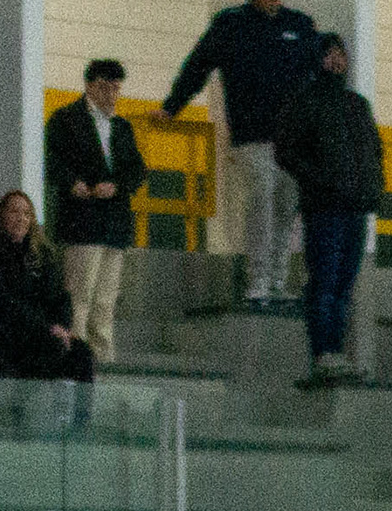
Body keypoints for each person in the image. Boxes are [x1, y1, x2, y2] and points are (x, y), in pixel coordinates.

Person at [163, 0, 326, 310]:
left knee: (286, 206)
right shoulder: (231, 23)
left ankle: (276, 282)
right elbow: (198, 65)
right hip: (251, 135)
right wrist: (172, 106)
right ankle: (258, 282)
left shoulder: (300, 25)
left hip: (293, 140)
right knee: (262, 193)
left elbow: (318, 77)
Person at [275, 36, 380, 389]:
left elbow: (374, 150)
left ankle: (336, 353)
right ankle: (323, 354)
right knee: (324, 282)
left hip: (356, 208)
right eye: (329, 55)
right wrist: (320, 181)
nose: (336, 61)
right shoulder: (304, 102)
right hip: (324, 208)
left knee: (344, 285)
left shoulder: (358, 105)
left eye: (341, 55)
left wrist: (373, 189)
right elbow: (286, 151)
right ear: (317, 60)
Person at [0, 190, 99, 424]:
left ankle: (79, 424)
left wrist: (62, 327)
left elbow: (60, 297)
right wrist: (47, 329)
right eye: (14, 212)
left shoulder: (41, 254)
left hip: (42, 330)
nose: (21, 218)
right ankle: (18, 410)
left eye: (26, 213)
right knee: (49, 348)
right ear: (1, 215)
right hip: (1, 330)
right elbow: (0, 301)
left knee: (82, 353)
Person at [47, 59, 150, 364]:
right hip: (82, 219)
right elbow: (51, 161)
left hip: (114, 222)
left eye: (116, 89)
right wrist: (73, 183)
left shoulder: (122, 127)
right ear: (90, 85)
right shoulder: (65, 119)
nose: (112, 95)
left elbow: (138, 170)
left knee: (106, 299)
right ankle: (76, 357)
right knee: (79, 296)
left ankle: (103, 358)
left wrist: (117, 187)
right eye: (106, 88)